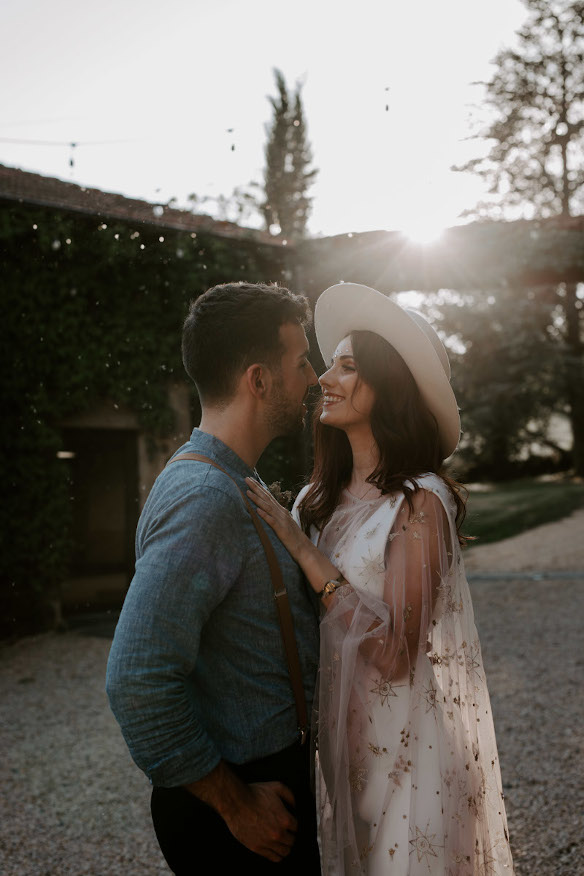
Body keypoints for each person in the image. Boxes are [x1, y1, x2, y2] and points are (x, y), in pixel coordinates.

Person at [245, 283, 515, 875]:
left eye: (348, 366)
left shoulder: (421, 503)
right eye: (330, 365)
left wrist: (307, 557)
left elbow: (395, 654)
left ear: (388, 384)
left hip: (411, 752)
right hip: (336, 752)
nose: (324, 379)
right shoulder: (314, 502)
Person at [106, 282, 322, 875]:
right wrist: (237, 804)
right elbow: (137, 679)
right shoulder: (205, 497)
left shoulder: (227, 481)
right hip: (247, 808)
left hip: (270, 784)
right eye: (301, 363)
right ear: (258, 380)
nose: (313, 380)